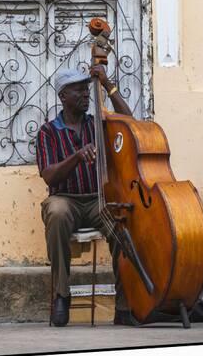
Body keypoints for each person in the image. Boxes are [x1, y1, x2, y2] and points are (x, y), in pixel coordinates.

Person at [36, 65, 134, 327]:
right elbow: (49, 176)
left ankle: (125, 302)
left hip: (96, 200)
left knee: (122, 222)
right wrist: (77, 157)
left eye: (86, 89)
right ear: (63, 96)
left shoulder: (97, 124)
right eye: (78, 90)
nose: (85, 94)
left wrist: (107, 84)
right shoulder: (48, 132)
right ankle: (61, 295)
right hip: (65, 199)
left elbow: (129, 122)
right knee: (55, 213)